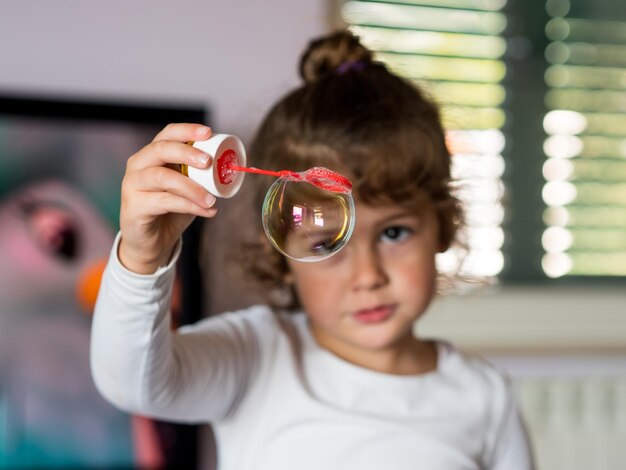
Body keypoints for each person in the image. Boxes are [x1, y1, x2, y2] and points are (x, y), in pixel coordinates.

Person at [91, 30, 534, 470]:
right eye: (326, 244)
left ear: (442, 225)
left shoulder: (483, 398)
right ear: (282, 258)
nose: (368, 276)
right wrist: (143, 256)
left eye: (394, 233)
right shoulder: (254, 356)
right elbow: (130, 385)